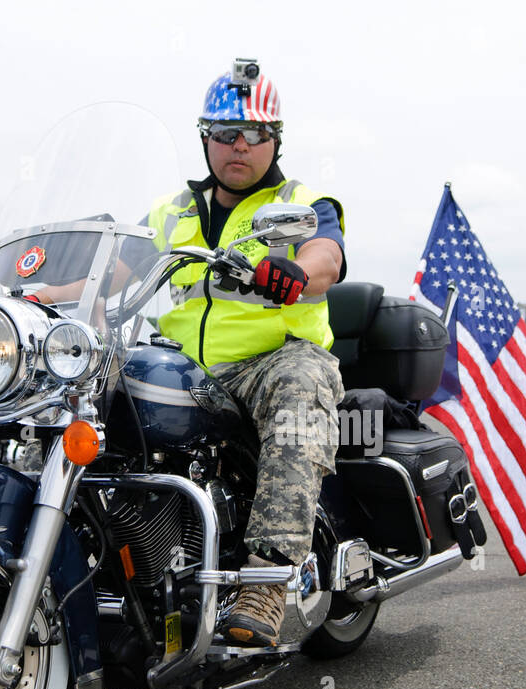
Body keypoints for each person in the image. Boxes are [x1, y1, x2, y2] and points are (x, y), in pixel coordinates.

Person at [37, 61, 346, 648]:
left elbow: (325, 258)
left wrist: (294, 274)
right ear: (205, 137)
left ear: (276, 140)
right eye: (226, 132)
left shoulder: (301, 201)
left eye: (255, 134)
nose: (240, 146)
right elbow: (111, 274)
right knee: (85, 386)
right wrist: (42, 296)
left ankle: (265, 578)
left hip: (270, 361)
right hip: (187, 365)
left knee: (300, 386)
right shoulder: (171, 210)